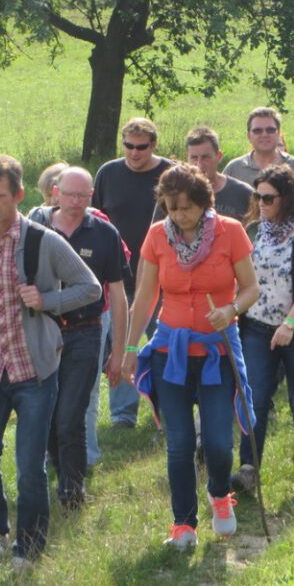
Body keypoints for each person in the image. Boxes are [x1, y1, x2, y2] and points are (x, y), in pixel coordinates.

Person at [0, 155, 101, 571]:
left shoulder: (41, 241)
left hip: (35, 371)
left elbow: (89, 287)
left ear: (18, 195)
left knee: (30, 466)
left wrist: (48, 300)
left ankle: (29, 548)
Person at [122, 165, 259, 549]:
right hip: (171, 353)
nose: (179, 216)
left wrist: (231, 310)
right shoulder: (156, 237)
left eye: (186, 208)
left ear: (203, 202)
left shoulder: (229, 231)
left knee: (217, 441)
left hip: (216, 351)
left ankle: (219, 493)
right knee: (179, 443)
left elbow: (251, 289)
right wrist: (131, 349)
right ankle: (183, 525)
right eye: (171, 208)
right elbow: (145, 297)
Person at [37, 167, 128, 509]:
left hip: (85, 332)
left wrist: (118, 351)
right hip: (42, 331)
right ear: (55, 192)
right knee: (46, 412)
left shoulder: (104, 233)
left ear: (92, 196)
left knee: (71, 414)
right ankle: (57, 474)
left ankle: (72, 493)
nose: (76, 202)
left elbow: (118, 296)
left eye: (83, 196)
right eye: (70, 194)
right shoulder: (37, 228)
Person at [232, 165, 294, 494]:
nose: (262, 203)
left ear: (286, 198)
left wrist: (289, 325)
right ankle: (248, 468)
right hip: (256, 328)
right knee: (254, 399)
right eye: (258, 197)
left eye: (268, 197)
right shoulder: (253, 231)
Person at [92, 117, 173, 428]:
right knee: (124, 343)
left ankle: (166, 410)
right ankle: (123, 415)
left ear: (153, 145)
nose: (135, 153)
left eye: (142, 147)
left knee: (162, 342)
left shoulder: (169, 173)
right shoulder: (108, 173)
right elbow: (97, 218)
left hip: (162, 273)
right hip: (118, 273)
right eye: (129, 146)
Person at [224, 107, 294, 204]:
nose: (264, 134)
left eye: (270, 130)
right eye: (257, 131)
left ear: (279, 133)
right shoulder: (234, 169)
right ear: (249, 136)